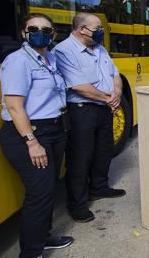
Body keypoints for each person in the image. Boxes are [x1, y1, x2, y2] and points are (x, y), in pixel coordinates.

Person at [0, 13, 74, 258]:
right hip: (29, 133)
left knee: (49, 188)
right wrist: (32, 142)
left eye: (46, 29)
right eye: (34, 28)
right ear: (24, 33)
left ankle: (43, 237)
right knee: (39, 193)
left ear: (53, 35)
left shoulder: (50, 58)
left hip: (54, 129)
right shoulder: (17, 61)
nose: (40, 32)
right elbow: (14, 107)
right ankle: (31, 252)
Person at [54, 13, 125, 223]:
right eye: (97, 27)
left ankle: (99, 188)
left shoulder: (100, 48)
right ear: (82, 29)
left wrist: (117, 94)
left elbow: (115, 74)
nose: (101, 30)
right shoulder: (64, 51)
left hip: (103, 108)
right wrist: (108, 99)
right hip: (81, 110)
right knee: (80, 157)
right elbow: (78, 86)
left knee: (104, 150)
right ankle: (77, 204)